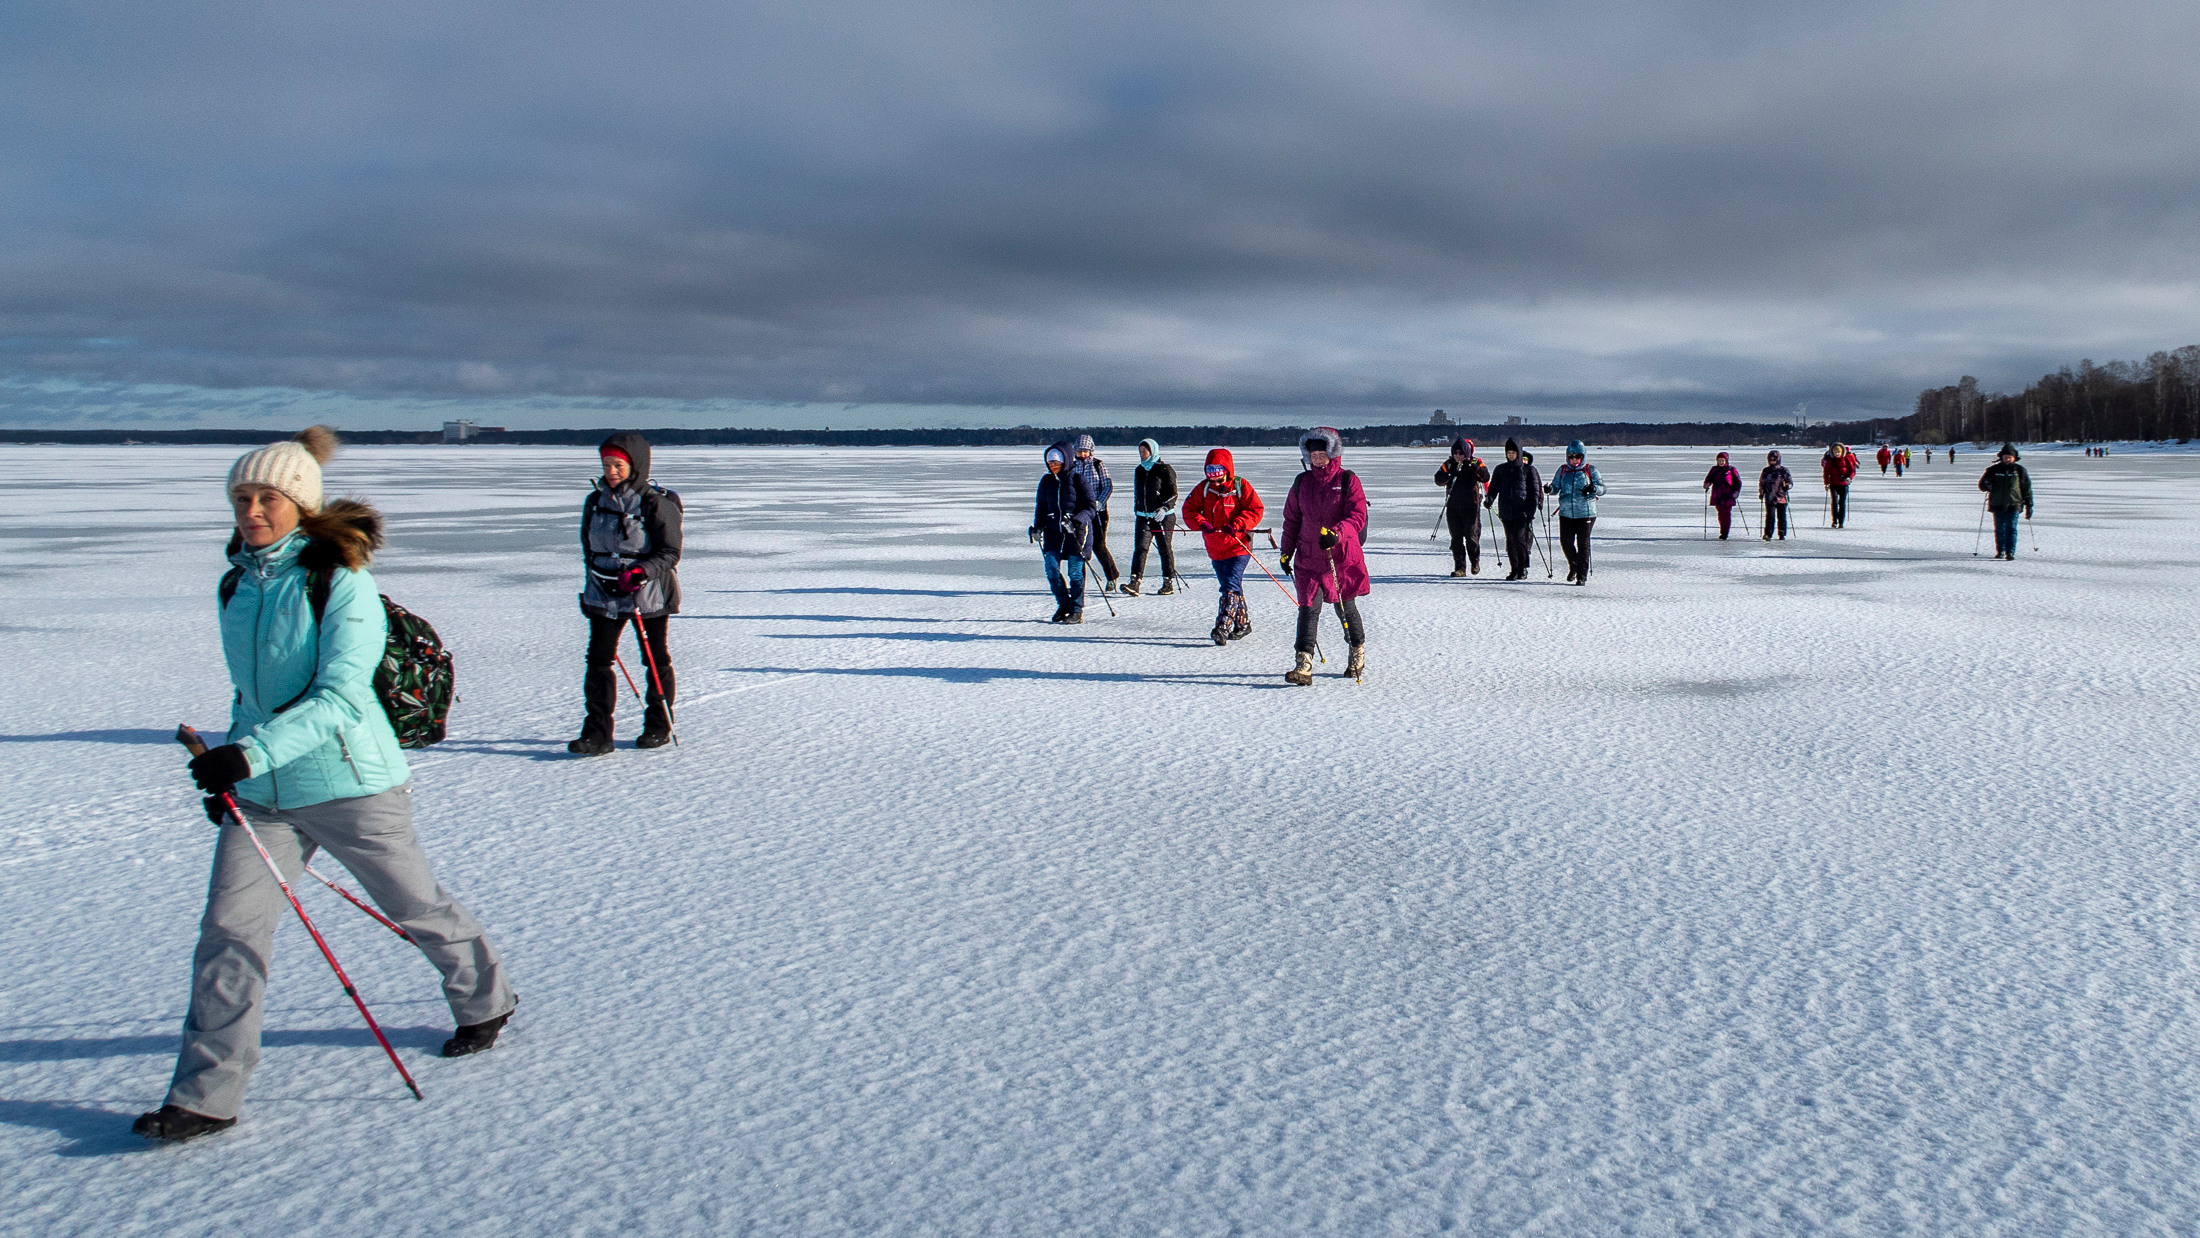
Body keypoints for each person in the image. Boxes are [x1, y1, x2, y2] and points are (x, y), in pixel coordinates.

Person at [137, 427, 517, 1145]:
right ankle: (206, 1096)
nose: (252, 511)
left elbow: (342, 698)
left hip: (351, 785)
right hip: (264, 797)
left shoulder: (343, 584)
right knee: (228, 935)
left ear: (301, 505)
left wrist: (245, 757)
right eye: (242, 497)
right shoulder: (236, 585)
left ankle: (486, 999)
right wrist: (229, 765)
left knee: (416, 905)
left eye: (267, 498)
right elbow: (252, 698)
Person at [571, 433, 684, 755]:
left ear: (634, 466)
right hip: (603, 592)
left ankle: (658, 726)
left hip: (648, 595)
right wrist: (596, 579)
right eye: (606, 464)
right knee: (598, 661)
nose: (611, 471)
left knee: (654, 658)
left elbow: (670, 552)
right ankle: (596, 734)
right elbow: (587, 547)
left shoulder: (656, 503)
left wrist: (639, 572)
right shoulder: (595, 501)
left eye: (618, 465)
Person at [1279, 427, 1369, 684]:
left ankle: (1356, 651)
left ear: (1332, 453)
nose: (1317, 459)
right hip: (1308, 558)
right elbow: (1292, 520)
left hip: (1339, 558)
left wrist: (1336, 534)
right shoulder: (1301, 483)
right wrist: (1286, 552)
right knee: (1308, 609)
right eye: (1313, 454)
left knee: (1345, 607)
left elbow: (1357, 516)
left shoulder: (1347, 480)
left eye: (1322, 454)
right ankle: (1303, 664)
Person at [1180, 447, 1263, 646]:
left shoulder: (1240, 486)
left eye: (1219, 480)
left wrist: (1236, 525)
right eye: (1212, 480)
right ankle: (1243, 624)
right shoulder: (1203, 489)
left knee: (1229, 588)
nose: (1216, 483)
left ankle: (1222, 627)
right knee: (1233, 587)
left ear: (1227, 471)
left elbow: (1256, 510)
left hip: (1239, 547)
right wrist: (1201, 523)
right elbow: (1188, 510)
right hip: (1215, 548)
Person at [1031, 442, 1099, 623]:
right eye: (1050, 463)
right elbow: (1041, 507)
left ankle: (1076, 609)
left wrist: (1077, 520)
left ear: (1066, 461)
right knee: (1051, 570)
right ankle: (1063, 604)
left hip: (1077, 534)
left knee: (1075, 573)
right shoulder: (1046, 482)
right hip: (1054, 535)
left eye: (1057, 463)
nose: (1053, 466)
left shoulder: (1078, 480)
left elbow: (1091, 508)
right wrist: (1037, 527)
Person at [1545, 439, 1605, 584]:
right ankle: (1574, 564)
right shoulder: (1563, 470)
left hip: (1586, 513)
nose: (1574, 460)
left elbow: (1603, 488)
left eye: (1577, 456)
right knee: (1565, 542)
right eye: (1571, 456)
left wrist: (1594, 489)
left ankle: (1581, 576)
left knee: (1583, 544)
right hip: (1566, 513)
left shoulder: (1590, 470)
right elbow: (1555, 487)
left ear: (1583, 456)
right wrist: (1549, 489)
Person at [1484, 438, 1543, 580]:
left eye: (1513, 452)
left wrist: (1530, 511)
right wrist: (1489, 500)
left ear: (1519, 453)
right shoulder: (1500, 469)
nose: (1511, 455)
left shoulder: (1528, 470)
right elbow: (1494, 488)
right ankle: (1514, 568)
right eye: (1508, 453)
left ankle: (1522, 568)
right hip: (1506, 510)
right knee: (1510, 540)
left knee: (1519, 539)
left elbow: (1534, 492)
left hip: (1521, 510)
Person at [1125, 438, 1178, 596]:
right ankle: (1135, 582)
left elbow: (1173, 493)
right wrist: (1138, 509)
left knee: (1164, 549)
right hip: (1143, 516)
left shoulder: (1165, 469)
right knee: (1140, 549)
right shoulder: (1139, 470)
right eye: (1140, 451)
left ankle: (1168, 582)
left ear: (1152, 451)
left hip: (1163, 517)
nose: (1141, 454)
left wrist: (1164, 508)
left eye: (1144, 451)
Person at [1433, 437, 1489, 576]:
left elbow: (1485, 477)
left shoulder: (1476, 462)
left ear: (1466, 453)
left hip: (1471, 505)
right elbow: (1438, 479)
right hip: (1453, 506)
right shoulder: (1449, 463)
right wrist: (1450, 474)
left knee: (1471, 537)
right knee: (1456, 538)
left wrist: (1473, 466)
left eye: (1460, 453)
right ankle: (1460, 568)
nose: (1457, 456)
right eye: (1455, 453)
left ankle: (1475, 562)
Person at [1070, 435, 1120, 593]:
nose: (1082, 454)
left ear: (1091, 451)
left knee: (1098, 545)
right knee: (1079, 548)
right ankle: (1079, 584)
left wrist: (1100, 502)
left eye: (1085, 451)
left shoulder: (1098, 465)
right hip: (1079, 514)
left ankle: (1112, 576)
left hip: (1098, 512)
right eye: (1079, 451)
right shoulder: (1071, 467)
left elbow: (1107, 486)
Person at [1979, 442, 2034, 559]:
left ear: (2014, 458)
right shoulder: (1993, 470)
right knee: (1999, 528)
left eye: (2009, 457)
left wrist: (2029, 505)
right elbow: (1982, 484)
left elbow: (2026, 489)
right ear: (2001, 457)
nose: (2007, 459)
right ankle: (2001, 551)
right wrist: (1987, 485)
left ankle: (2010, 552)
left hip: (2014, 503)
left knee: (2011, 528)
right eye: (2005, 457)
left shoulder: (2019, 470)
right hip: (1997, 504)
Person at [1703, 451, 1742, 539]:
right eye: (1719, 460)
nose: (1720, 462)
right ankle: (1723, 530)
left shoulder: (1731, 469)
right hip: (1718, 495)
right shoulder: (1714, 469)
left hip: (1728, 496)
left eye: (1722, 460)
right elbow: (1709, 478)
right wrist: (1707, 484)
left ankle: (1725, 532)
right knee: (1721, 514)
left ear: (1726, 460)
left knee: (1726, 513)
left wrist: (1736, 492)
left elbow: (1737, 482)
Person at [1821, 442, 1858, 529]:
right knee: (1834, 502)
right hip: (1833, 484)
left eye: (1838, 452)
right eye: (1835, 452)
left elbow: (1852, 471)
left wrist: (1849, 478)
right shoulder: (1830, 462)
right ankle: (1834, 521)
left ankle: (1841, 522)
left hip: (1843, 484)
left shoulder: (1846, 460)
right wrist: (1826, 483)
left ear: (1842, 452)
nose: (1837, 454)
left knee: (1842, 503)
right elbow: (1826, 473)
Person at [1759, 450, 1794, 540]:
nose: (1772, 461)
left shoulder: (1783, 470)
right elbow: (1762, 482)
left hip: (1781, 497)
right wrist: (1761, 492)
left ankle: (1782, 533)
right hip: (1770, 497)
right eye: (1770, 459)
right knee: (1770, 516)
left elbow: (1790, 482)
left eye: (1774, 459)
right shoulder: (1766, 471)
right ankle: (1768, 534)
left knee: (1781, 516)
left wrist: (1787, 486)